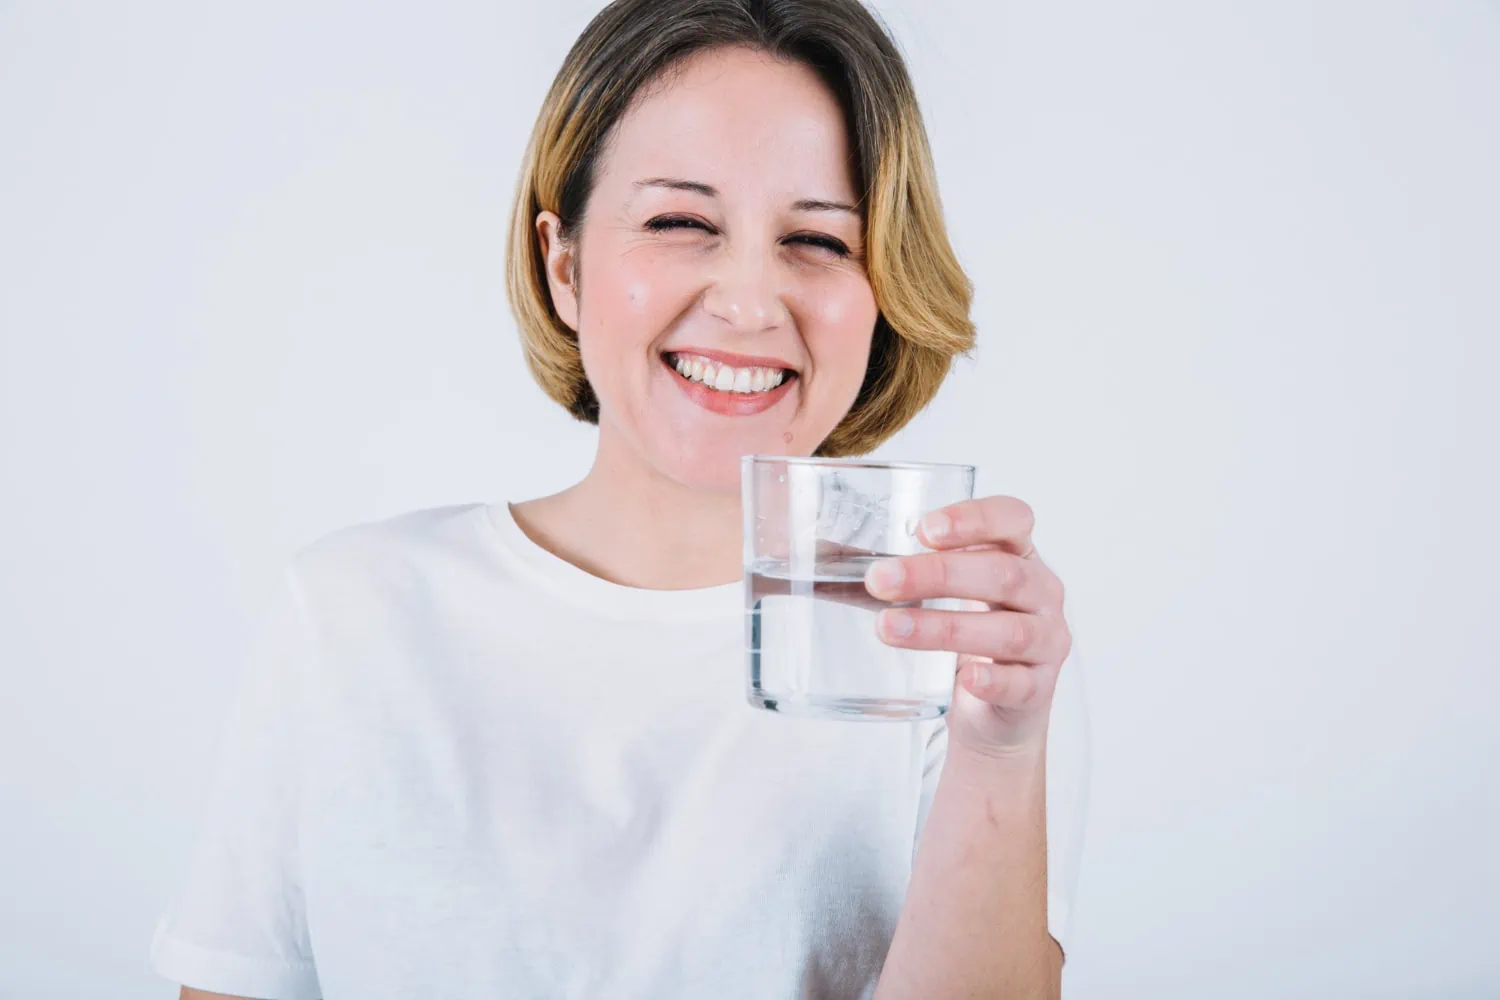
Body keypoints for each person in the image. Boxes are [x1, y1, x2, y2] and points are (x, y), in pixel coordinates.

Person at [150, 0, 1089, 997]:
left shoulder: (962, 649)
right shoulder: (354, 613)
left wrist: (1000, 748)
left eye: (816, 240)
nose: (746, 301)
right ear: (564, 264)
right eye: (680, 223)